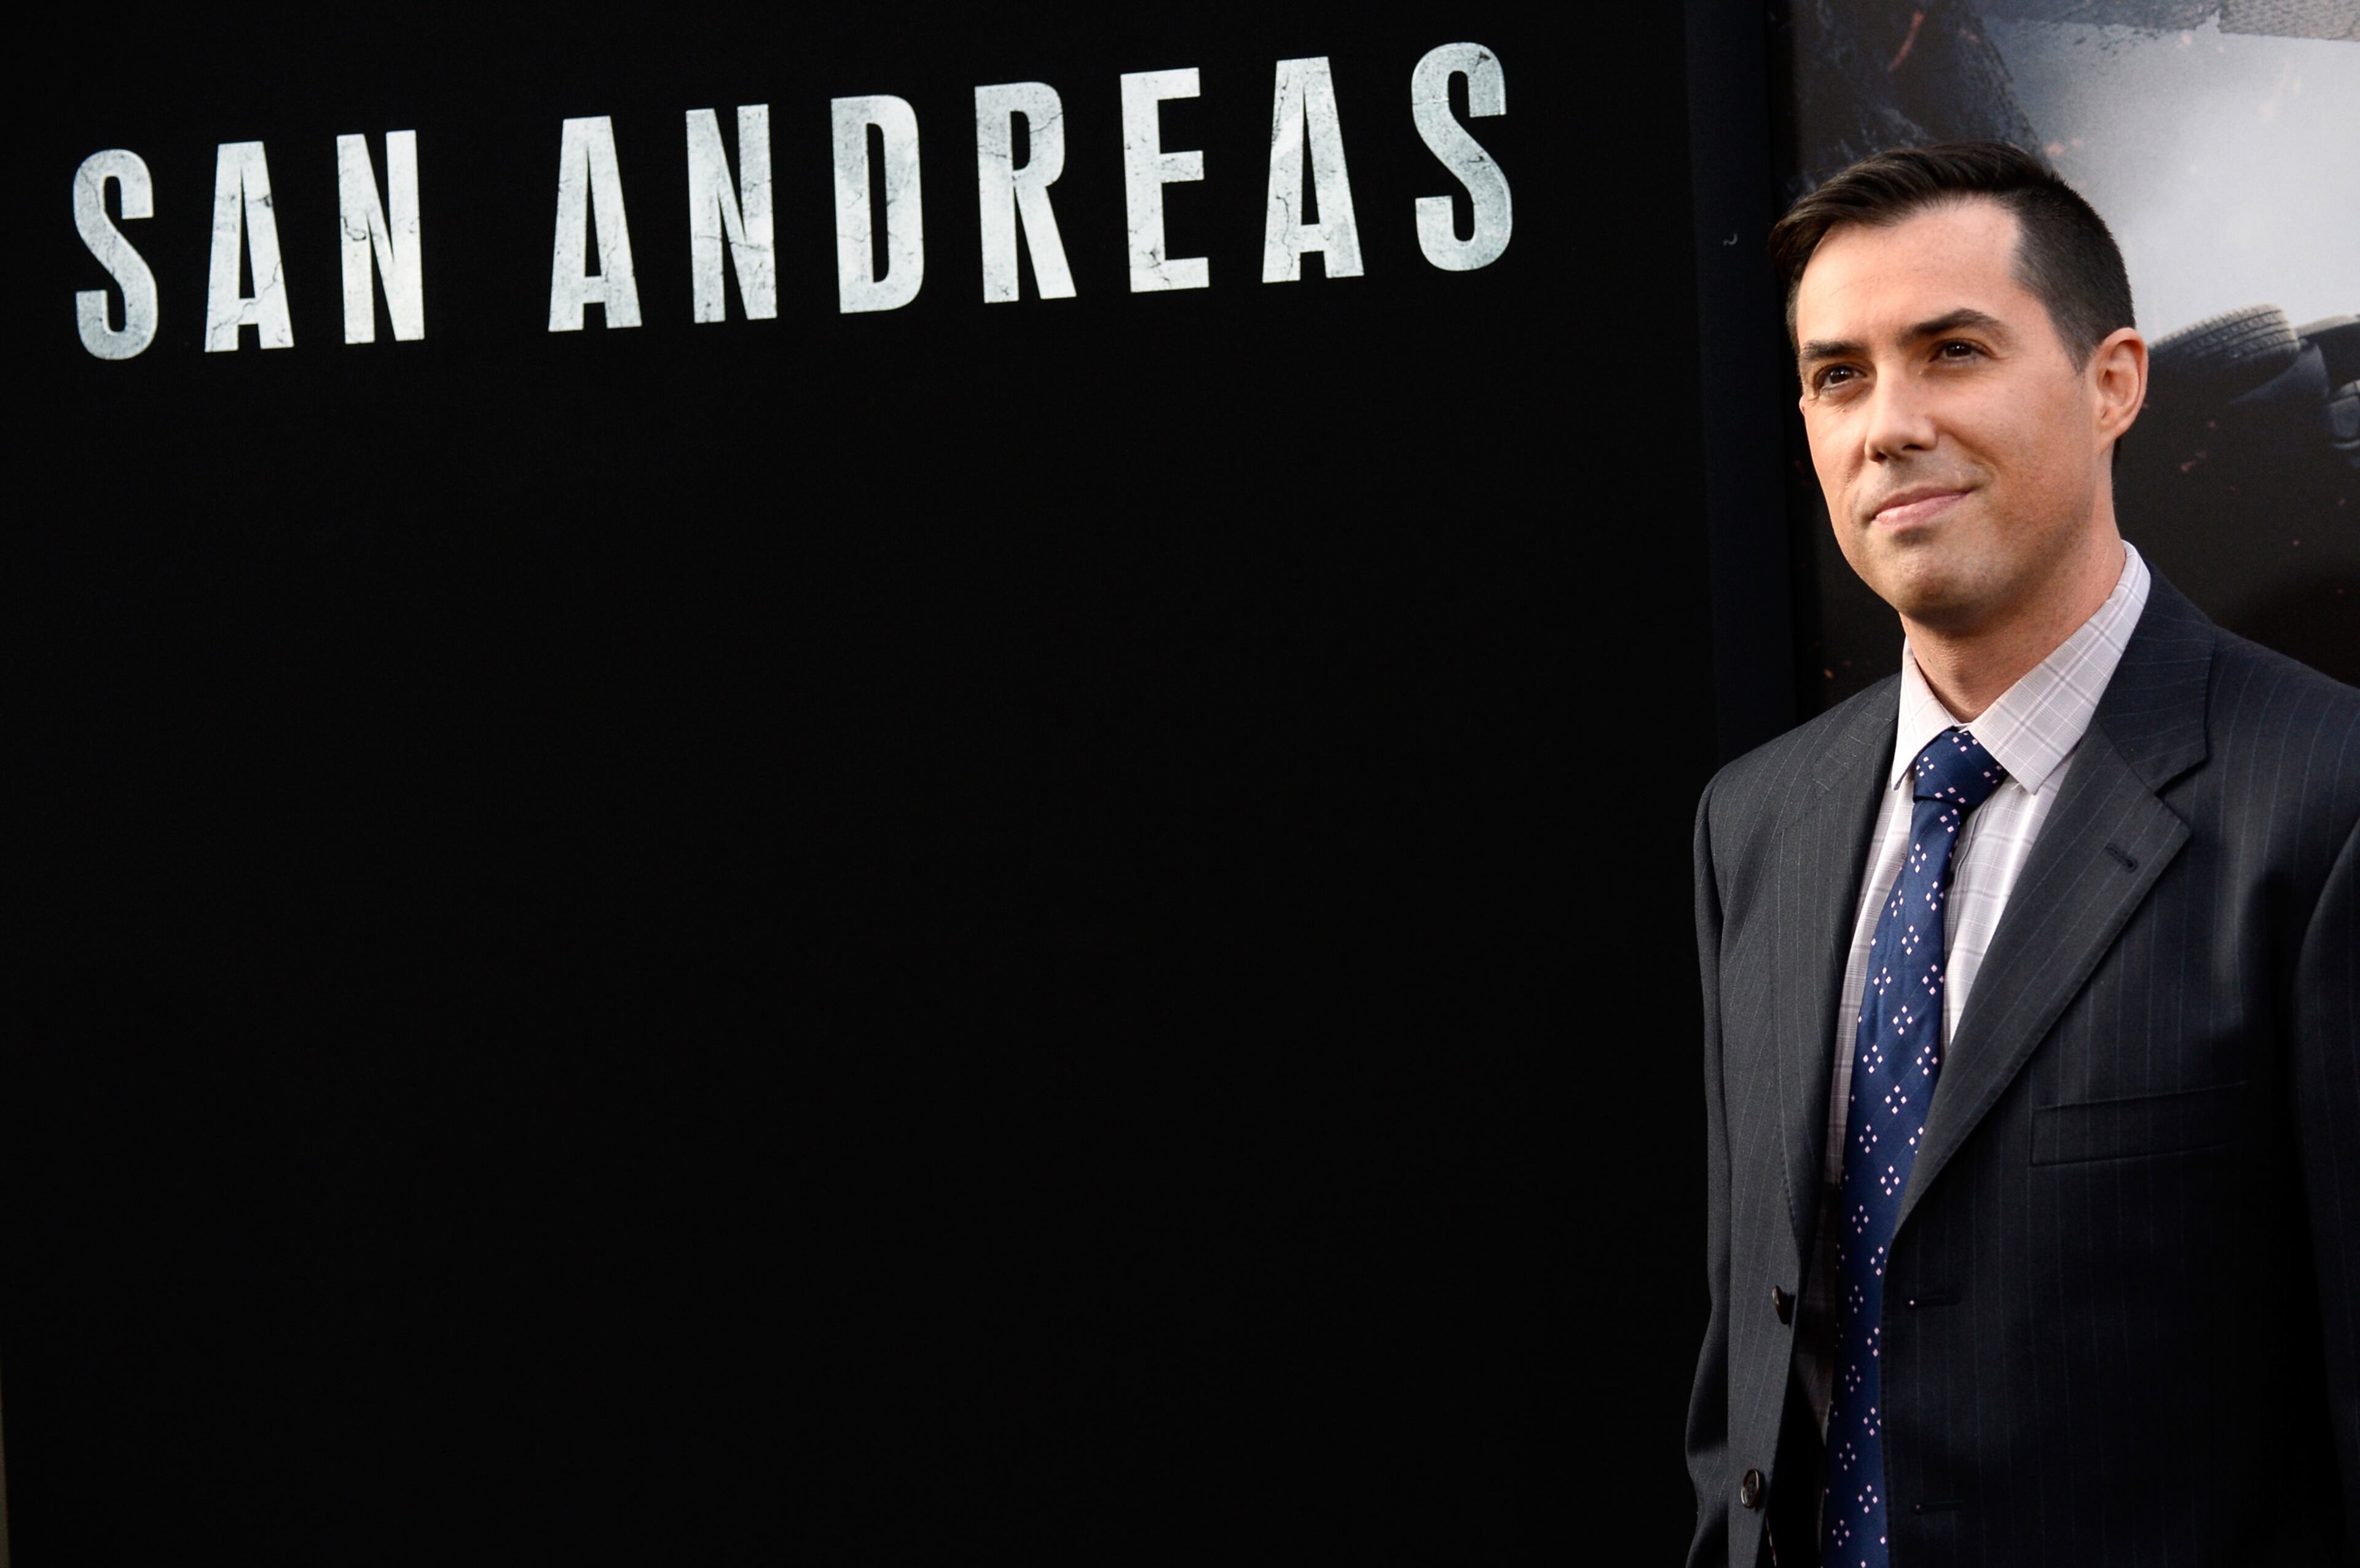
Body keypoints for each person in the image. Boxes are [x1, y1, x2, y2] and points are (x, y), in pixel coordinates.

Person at [1685, 141, 2359, 1568]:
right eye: (1838, 375)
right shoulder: (1756, 823)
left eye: (1954, 350)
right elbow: (1757, 1378)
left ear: (2114, 380)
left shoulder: (2327, 802)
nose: (1888, 426)